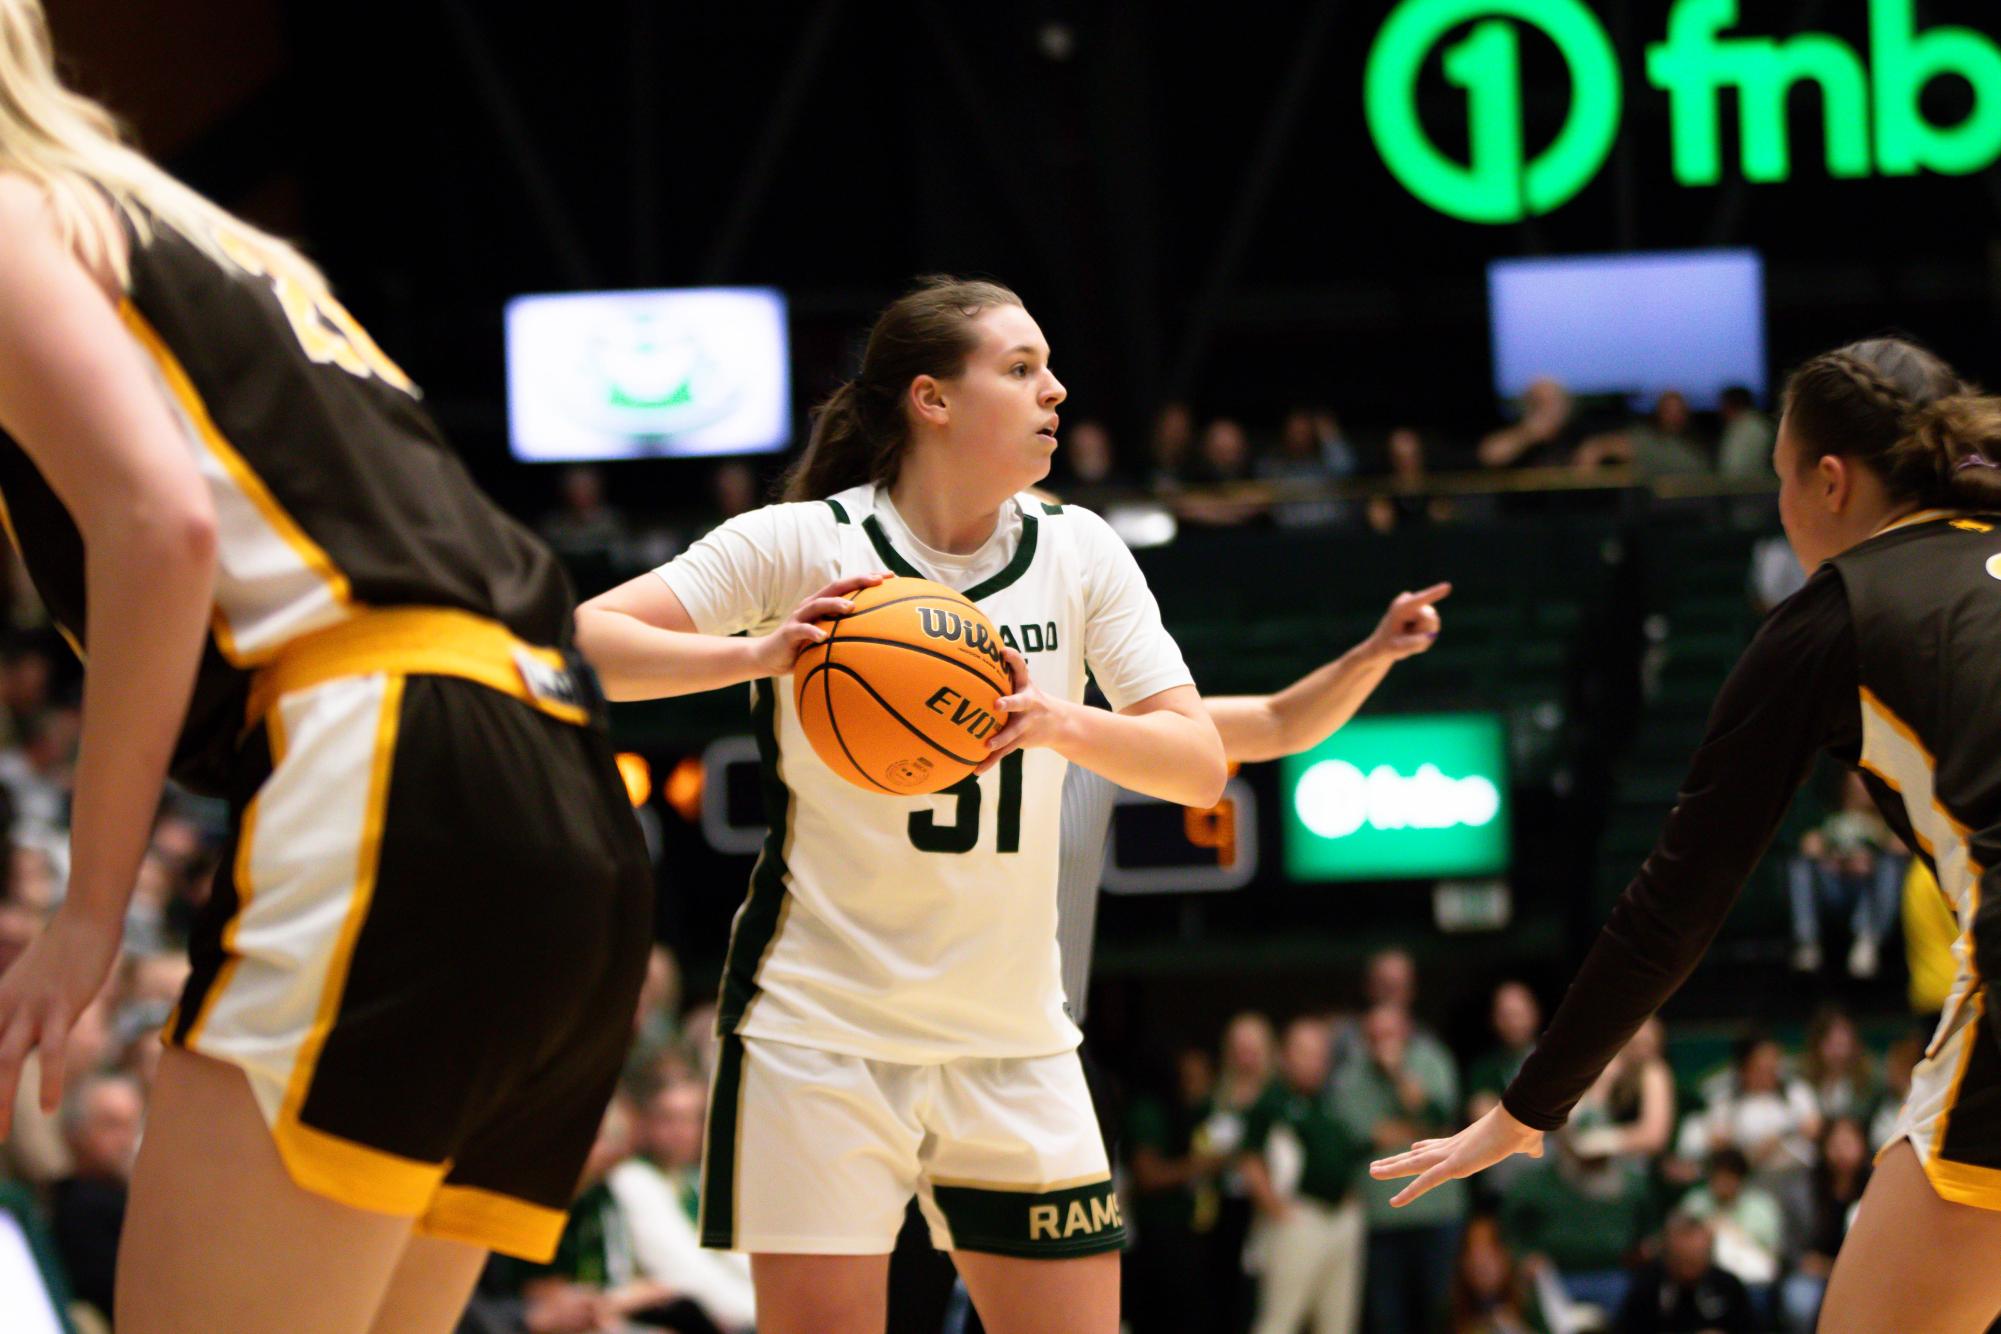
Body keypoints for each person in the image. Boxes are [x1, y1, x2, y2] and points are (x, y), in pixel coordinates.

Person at [0, 4, 655, 1325]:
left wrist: (88, 911)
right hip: (559, 793)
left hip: (389, 760)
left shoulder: (17, 214)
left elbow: (163, 525)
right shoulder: (197, 230)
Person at [574, 276, 1229, 1334]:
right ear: (932, 399)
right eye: (1020, 368)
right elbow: (580, 644)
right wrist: (755, 654)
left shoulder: (1079, 550)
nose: (1055, 390)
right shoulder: (801, 544)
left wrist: (1059, 722)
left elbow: (1198, 767)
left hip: (1014, 1036)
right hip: (820, 1032)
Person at [1372, 336, 2001, 1330]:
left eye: (1778, 479)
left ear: (1829, 481)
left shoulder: (1833, 618)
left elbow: (1673, 906)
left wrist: (1527, 1108)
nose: (1779, 505)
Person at [1333, 1003, 1464, 1334]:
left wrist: (1399, 1076)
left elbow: (1442, 1119)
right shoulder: (1351, 1075)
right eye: (1375, 1035)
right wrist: (1414, 1131)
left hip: (1437, 1212)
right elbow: (1354, 1135)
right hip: (1380, 1217)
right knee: (1386, 1317)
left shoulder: (1432, 1060)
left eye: (1390, 1033)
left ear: (1407, 1031)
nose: (1383, 1042)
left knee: (1438, 1313)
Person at [1240, 1015, 1367, 1334]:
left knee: (1338, 1321)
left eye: (1320, 1054)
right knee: (1280, 1320)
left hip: (1342, 1218)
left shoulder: (1330, 1100)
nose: (1314, 1062)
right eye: (1305, 1052)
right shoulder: (1272, 1101)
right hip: (1300, 1217)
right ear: (1285, 1055)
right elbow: (1250, 1160)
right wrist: (1277, 1210)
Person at [1788, 769, 1909, 977]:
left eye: (1866, 781)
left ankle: (1868, 940)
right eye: (1857, 780)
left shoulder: (1888, 822)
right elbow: (1810, 845)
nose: (1862, 787)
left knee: (1889, 865)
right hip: (1833, 885)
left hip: (1869, 895)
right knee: (1800, 865)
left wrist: (1873, 857)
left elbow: (1902, 849)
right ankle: (1807, 942)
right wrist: (1833, 860)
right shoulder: (1829, 819)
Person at [1780, 1116, 1871, 1333]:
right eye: (1835, 1145)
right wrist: (1811, 1264)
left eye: (1848, 1144)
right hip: (1815, 1272)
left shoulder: (1876, 1185)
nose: (1842, 1152)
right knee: (1799, 1302)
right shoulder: (1803, 1189)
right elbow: (1789, 1246)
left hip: (1863, 1273)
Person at [1613, 1212, 1754, 1334]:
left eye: (1696, 1259)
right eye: (1682, 1260)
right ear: (1667, 1256)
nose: (1688, 1271)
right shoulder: (1647, 1288)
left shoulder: (1728, 1286)